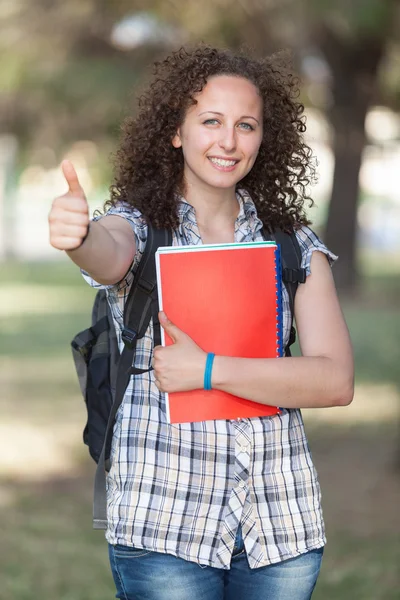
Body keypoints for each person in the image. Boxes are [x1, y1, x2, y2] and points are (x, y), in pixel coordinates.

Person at [48, 45, 354, 600]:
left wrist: (208, 369)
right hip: (165, 522)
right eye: (210, 121)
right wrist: (80, 237)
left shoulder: (292, 243)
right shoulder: (138, 227)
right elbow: (108, 251)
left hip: (279, 526)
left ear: (265, 138)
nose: (228, 141)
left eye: (246, 125)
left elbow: (334, 382)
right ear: (176, 131)